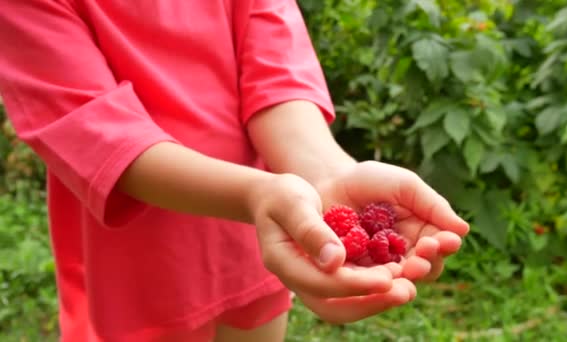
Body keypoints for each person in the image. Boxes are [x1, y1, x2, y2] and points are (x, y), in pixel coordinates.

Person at [0, 1, 469, 341]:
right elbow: (98, 131)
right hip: (139, 259)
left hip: (264, 231)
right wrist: (259, 195)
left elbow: (274, 68)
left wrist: (326, 177)